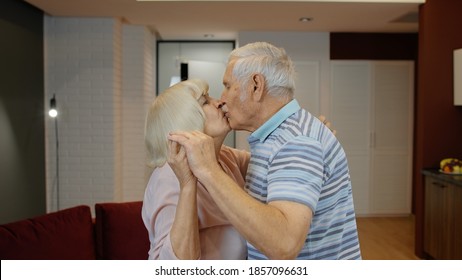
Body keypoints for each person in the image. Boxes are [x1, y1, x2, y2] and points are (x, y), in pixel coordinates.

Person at [168, 42, 362, 260]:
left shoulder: (296, 142)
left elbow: (284, 244)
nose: (222, 98)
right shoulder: (280, 138)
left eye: (228, 85)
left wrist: (209, 171)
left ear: (256, 86)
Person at [142, 79, 249, 260]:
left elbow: (272, 160)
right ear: (186, 121)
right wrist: (188, 183)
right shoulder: (169, 177)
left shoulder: (226, 158)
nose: (220, 102)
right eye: (205, 102)